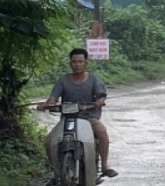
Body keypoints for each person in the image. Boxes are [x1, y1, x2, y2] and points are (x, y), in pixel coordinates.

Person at [38, 47, 117, 178]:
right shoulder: (63, 80)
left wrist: (98, 101)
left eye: (80, 61)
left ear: (86, 63)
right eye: (74, 62)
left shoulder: (94, 79)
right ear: (70, 63)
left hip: (89, 118)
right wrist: (46, 105)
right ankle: (57, 172)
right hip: (67, 119)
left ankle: (104, 165)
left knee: (102, 132)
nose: (77, 64)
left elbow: (100, 96)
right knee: (48, 141)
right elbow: (53, 99)